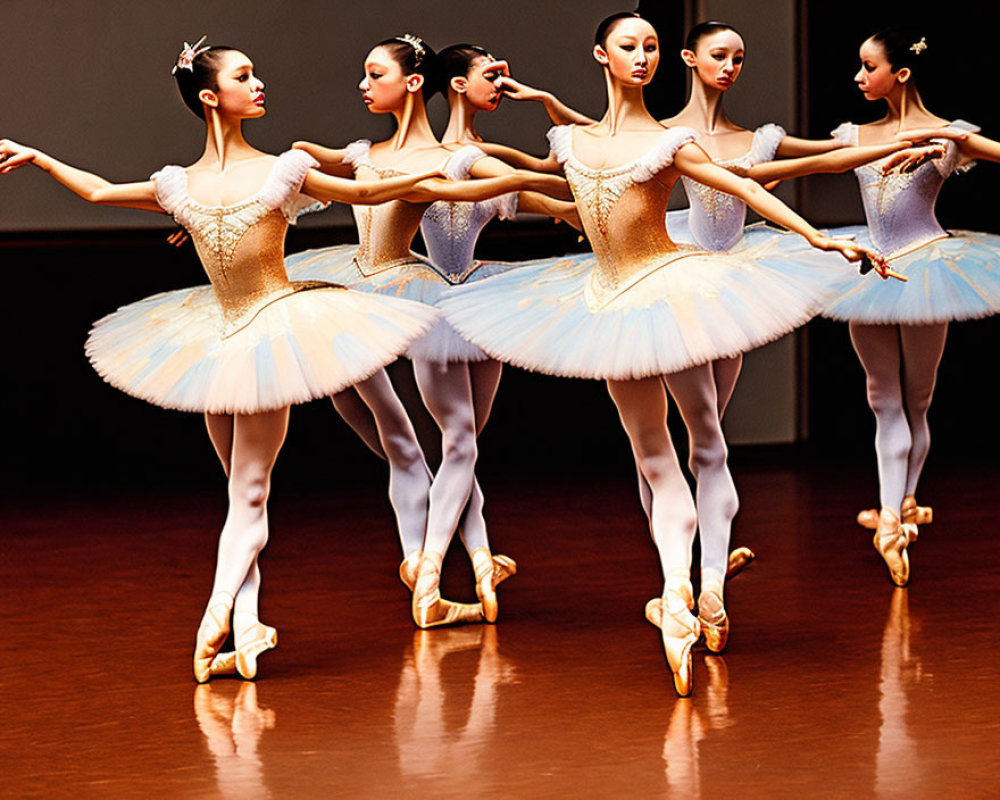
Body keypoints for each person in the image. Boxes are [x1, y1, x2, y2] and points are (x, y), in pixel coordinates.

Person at [0, 39, 485, 682]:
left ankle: (218, 616)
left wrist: (447, 174)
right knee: (244, 495)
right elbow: (97, 192)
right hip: (229, 343)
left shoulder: (259, 173)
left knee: (246, 496)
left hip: (260, 339)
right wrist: (42, 158)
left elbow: (364, 194)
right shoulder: (189, 184)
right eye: (244, 76)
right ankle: (243, 626)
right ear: (210, 97)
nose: (259, 84)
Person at [440, 12, 888, 696]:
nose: (643, 56)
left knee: (701, 445)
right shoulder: (571, 141)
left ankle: (696, 590)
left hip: (671, 291)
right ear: (602, 55)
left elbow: (741, 186)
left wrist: (822, 238)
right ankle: (684, 592)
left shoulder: (666, 139)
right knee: (661, 454)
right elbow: (567, 182)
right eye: (630, 46)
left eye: (651, 46)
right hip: (613, 301)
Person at [287, 34, 573, 628]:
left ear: (416, 83)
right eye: (488, 76)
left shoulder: (457, 157)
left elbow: (540, 185)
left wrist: (585, 189)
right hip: (390, 293)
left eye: (374, 74)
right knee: (445, 445)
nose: (363, 86)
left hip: (457, 294)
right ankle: (446, 565)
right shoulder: (371, 152)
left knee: (454, 447)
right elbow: (304, 162)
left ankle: (449, 564)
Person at [821, 28, 1000, 586]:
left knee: (917, 400)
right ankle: (892, 519)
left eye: (867, 67)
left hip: (929, 266)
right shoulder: (854, 134)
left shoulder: (949, 134)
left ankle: (901, 502)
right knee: (882, 397)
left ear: (899, 74)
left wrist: (938, 145)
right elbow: (804, 164)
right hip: (871, 267)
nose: (857, 77)